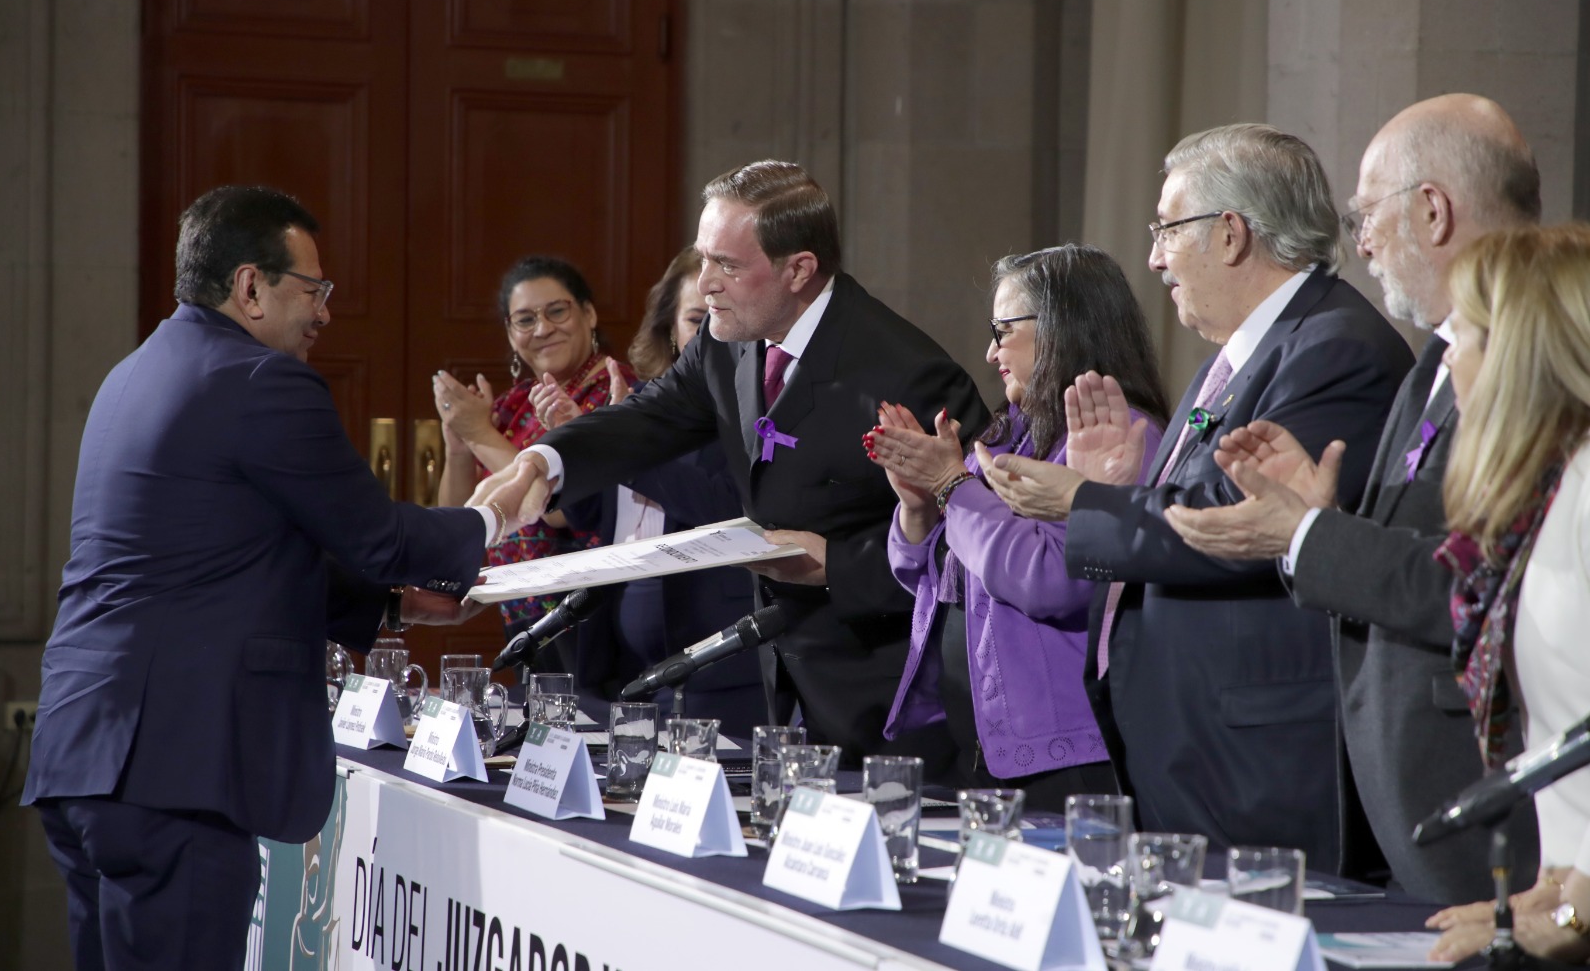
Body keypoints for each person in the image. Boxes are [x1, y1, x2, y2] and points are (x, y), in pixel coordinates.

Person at [22, 186, 510, 971]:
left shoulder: (135, 372)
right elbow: (376, 535)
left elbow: (219, 556)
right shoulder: (258, 380)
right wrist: (494, 516)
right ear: (250, 286)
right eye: (312, 290)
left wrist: (387, 607)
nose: (324, 313)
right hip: (176, 767)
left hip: (89, 753)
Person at [976, 125, 1413, 868]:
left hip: (1253, 758)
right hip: (1193, 742)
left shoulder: (1333, 348)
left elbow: (1238, 528)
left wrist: (1082, 503)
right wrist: (1119, 487)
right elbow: (1193, 498)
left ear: (1232, 233)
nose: (1153, 259)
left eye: (1167, 231)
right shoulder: (1247, 355)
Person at [475, 160, 990, 764]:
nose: (706, 283)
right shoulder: (730, 340)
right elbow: (647, 418)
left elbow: (975, 541)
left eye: (727, 264)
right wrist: (543, 461)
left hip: (891, 695)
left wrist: (838, 566)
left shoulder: (905, 371)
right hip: (781, 677)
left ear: (799, 269)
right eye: (703, 258)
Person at [1161, 95, 1543, 901]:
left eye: (1368, 213)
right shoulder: (1435, 357)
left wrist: (1305, 536)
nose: (1358, 240)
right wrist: (1319, 520)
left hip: (1487, 808)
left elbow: (1488, 588)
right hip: (1411, 802)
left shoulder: (1532, 357)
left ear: (1433, 211)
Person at [867, 246, 1169, 808]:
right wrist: (918, 506)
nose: (989, 352)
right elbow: (926, 579)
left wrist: (954, 488)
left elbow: (1052, 581)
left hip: (1067, 758)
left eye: (1003, 330)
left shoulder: (1125, 436)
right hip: (978, 745)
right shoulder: (1013, 434)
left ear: (1062, 327)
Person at [1420, 226, 1590, 964]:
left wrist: (1580, 911)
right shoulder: (1553, 491)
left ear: (1517, 351)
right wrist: (1559, 887)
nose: (1449, 356)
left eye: (1464, 333)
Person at [563, 248, 769, 734]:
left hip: (714, 665)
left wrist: (626, 453)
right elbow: (589, 517)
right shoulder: (639, 406)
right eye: (695, 320)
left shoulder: (753, 413)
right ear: (671, 332)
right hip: (622, 661)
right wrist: (584, 454)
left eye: (716, 318)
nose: (707, 334)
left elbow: (723, 507)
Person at [432, 255, 636, 638]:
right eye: (525, 320)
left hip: (590, 612)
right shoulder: (514, 404)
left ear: (589, 314)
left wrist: (480, 434)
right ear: (511, 334)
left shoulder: (618, 390)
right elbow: (461, 521)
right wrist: (460, 446)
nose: (542, 328)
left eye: (557, 311)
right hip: (519, 613)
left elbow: (558, 507)